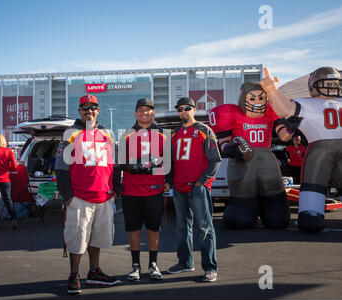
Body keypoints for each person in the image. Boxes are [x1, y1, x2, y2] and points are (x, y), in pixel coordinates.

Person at [261, 67, 342, 233]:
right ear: (314, 85)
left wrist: (272, 91)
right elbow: (285, 110)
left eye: (335, 83)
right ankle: (311, 214)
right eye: (327, 83)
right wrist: (272, 91)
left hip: (320, 151)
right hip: (319, 152)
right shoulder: (306, 103)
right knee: (313, 188)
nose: (332, 86)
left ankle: (311, 214)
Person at [55, 94, 120, 295]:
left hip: (104, 196)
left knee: (98, 237)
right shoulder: (70, 134)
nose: (89, 111)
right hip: (80, 197)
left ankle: (94, 271)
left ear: (98, 110)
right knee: (78, 237)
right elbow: (61, 167)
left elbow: (115, 165)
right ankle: (74, 275)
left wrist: (116, 189)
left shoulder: (107, 134)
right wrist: (67, 196)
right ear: (79, 111)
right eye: (85, 108)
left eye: (93, 108)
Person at [209, 82, 291, 230]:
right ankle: (242, 210)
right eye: (252, 99)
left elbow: (284, 137)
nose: (257, 102)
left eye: (261, 98)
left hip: (266, 158)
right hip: (243, 159)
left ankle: (273, 211)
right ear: (242, 99)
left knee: (275, 205)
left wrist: (290, 129)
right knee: (241, 210)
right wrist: (231, 149)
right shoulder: (231, 113)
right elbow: (224, 143)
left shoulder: (270, 112)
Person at [165, 97, 221, 282]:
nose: (183, 112)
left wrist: (202, 182)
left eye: (186, 108)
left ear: (194, 109)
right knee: (182, 228)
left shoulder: (205, 130)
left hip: (198, 188)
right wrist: (170, 181)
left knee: (204, 227)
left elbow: (215, 160)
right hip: (179, 188)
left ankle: (210, 268)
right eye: (180, 109)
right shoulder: (175, 134)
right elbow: (172, 162)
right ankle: (185, 262)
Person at [117, 98, 167, 281]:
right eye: (141, 110)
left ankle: (153, 264)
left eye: (148, 110)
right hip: (131, 190)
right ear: (135, 113)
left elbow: (169, 161)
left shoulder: (163, 134)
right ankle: (135, 264)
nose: (144, 113)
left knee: (154, 228)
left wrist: (160, 174)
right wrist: (133, 167)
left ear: (153, 112)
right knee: (134, 229)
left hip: (154, 190)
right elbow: (120, 162)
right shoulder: (127, 135)